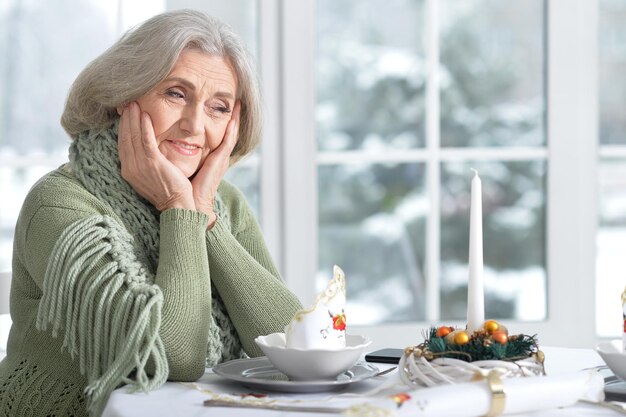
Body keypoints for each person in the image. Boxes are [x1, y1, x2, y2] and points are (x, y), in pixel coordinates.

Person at [0, 9, 302, 417]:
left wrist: (205, 218)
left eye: (218, 107)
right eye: (176, 94)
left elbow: (295, 343)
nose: (195, 125)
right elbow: (170, 356)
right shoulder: (59, 204)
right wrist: (179, 208)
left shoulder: (222, 202)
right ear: (125, 97)